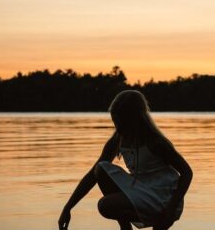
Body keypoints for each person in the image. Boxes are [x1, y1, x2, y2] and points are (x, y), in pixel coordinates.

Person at [58, 89, 193, 230]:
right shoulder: (118, 139)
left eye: (120, 122)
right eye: (115, 122)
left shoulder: (155, 142)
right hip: (142, 191)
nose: (117, 127)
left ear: (135, 119)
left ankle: (157, 219)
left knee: (105, 205)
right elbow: (93, 176)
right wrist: (68, 207)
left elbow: (187, 172)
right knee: (101, 169)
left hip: (164, 197)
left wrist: (171, 209)